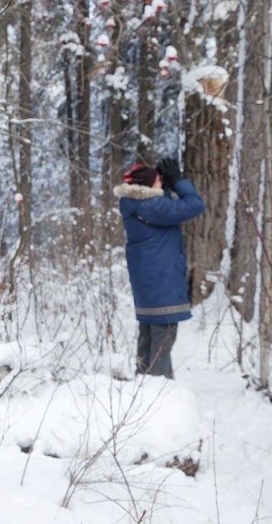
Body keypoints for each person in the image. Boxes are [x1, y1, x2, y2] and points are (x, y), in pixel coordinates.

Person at [113, 158, 205, 379]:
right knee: (163, 340)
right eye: (158, 182)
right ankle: (158, 395)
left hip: (148, 286)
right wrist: (178, 180)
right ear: (147, 187)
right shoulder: (152, 206)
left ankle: (144, 386)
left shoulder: (136, 204)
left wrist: (167, 184)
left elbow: (169, 205)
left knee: (149, 338)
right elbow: (195, 205)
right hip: (162, 284)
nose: (162, 185)